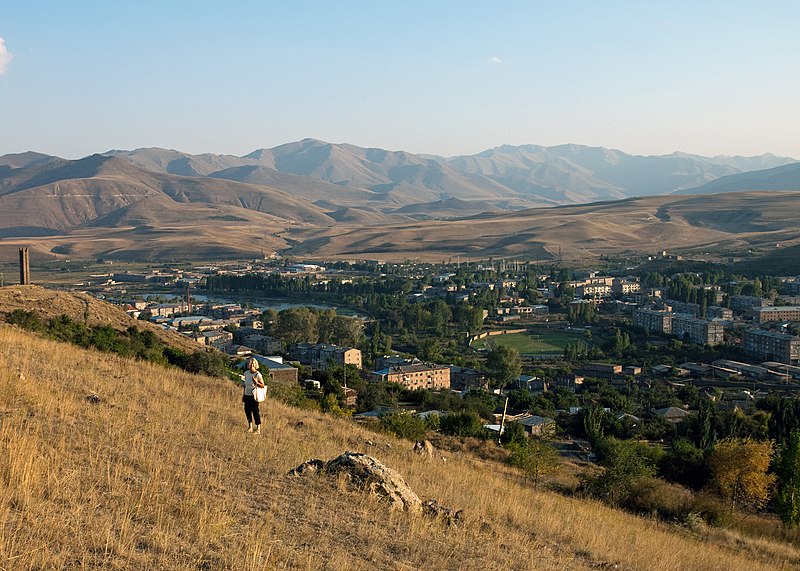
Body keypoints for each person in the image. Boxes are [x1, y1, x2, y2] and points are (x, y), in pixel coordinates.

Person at [243, 357, 265, 434]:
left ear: (256, 365)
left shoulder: (258, 374)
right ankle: (250, 427)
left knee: (255, 411)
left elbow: (262, 385)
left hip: (254, 395)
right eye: (250, 363)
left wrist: (256, 382)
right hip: (247, 394)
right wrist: (243, 395)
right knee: (247, 411)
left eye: (253, 364)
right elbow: (245, 385)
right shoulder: (246, 373)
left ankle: (258, 429)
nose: (251, 365)